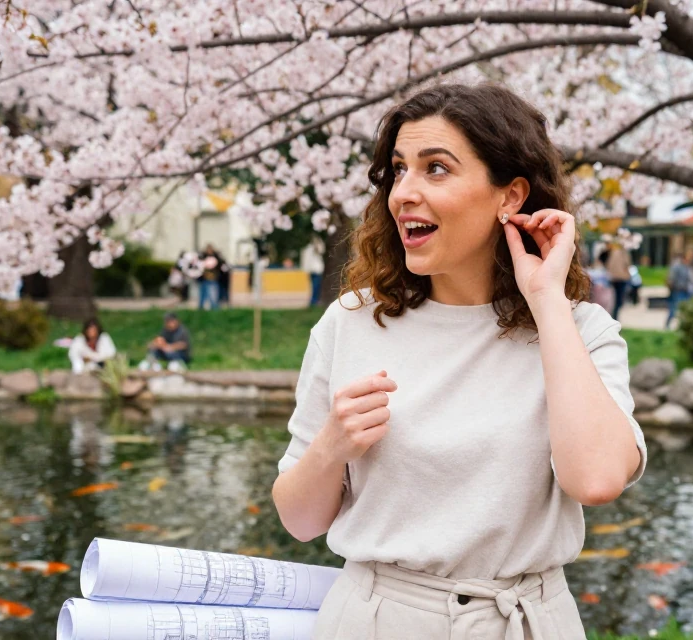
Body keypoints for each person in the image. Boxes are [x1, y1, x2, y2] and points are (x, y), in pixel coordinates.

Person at [272, 84, 646, 640]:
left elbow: (595, 479)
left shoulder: (580, 332)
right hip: (376, 621)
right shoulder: (350, 323)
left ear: (510, 196)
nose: (404, 192)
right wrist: (331, 446)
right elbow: (299, 521)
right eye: (399, 170)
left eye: (436, 169)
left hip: (525, 621)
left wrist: (546, 301)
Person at [664, 250, 693, 329]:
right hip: (677, 291)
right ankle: (667, 325)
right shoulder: (677, 266)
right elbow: (671, 279)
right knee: (673, 309)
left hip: (685, 291)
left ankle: (682, 326)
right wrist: (671, 288)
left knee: (684, 310)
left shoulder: (688, 267)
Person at [605, 242, 632, 320]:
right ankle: (615, 317)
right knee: (619, 300)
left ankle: (613, 316)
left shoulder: (613, 252)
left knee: (613, 299)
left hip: (613, 278)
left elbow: (608, 265)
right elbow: (627, 264)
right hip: (621, 278)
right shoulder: (624, 253)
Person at [196, 244, 226, 311]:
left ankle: (214, 307)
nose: (209, 251)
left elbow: (221, 265)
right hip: (204, 279)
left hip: (213, 279)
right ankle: (201, 308)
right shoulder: (203, 257)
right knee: (203, 295)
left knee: (213, 294)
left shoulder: (216, 257)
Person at [301, 237, 326, 308]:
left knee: (314, 286)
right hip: (316, 270)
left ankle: (314, 300)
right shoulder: (312, 248)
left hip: (311, 270)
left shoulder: (307, 249)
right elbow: (321, 250)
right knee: (316, 286)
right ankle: (314, 301)